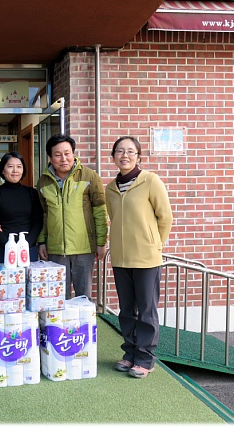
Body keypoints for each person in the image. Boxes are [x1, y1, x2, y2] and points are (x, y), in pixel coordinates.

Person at [105, 136, 173, 379]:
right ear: (113, 156)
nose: (125, 155)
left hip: (147, 258)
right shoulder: (110, 189)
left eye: (130, 151)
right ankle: (130, 353)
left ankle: (145, 358)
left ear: (138, 156)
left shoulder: (150, 180)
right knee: (126, 310)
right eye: (120, 151)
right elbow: (114, 218)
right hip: (121, 258)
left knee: (146, 311)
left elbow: (165, 217)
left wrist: (156, 244)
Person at [36, 134, 108, 300]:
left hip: (83, 248)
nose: (64, 159)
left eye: (67, 153)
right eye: (58, 155)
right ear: (50, 157)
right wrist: (42, 242)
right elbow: (43, 215)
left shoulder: (89, 177)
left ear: (73, 153)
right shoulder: (43, 182)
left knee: (84, 297)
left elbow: (99, 211)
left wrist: (101, 242)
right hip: (55, 249)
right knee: (58, 298)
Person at [0, 151, 43, 263]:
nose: (15, 170)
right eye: (10, 166)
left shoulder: (31, 193)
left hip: (28, 248)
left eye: (19, 167)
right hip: (4, 249)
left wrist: (25, 245)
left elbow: (38, 222)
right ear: (3, 170)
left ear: (23, 170)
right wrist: (9, 246)